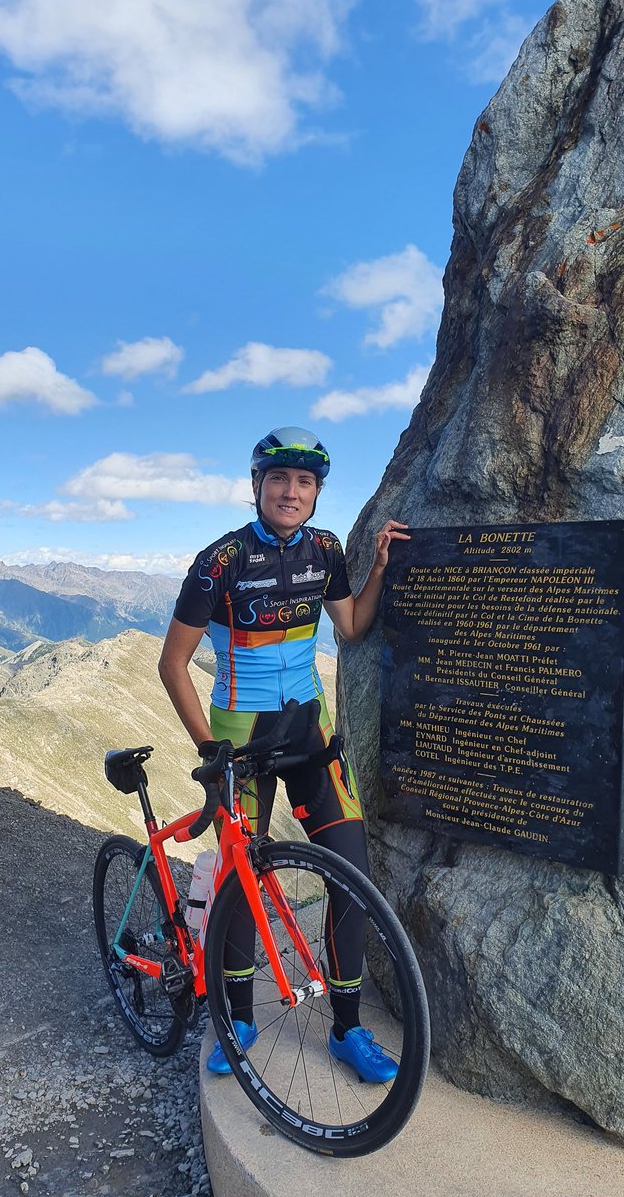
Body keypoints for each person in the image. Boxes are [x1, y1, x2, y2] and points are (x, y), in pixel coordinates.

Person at [158, 426, 409, 1082]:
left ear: (316, 492)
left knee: (350, 869)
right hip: (239, 744)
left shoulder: (325, 550)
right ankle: (238, 1018)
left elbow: (350, 625)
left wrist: (380, 567)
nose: (291, 492)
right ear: (258, 487)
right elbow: (173, 665)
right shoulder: (220, 562)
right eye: (279, 480)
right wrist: (210, 751)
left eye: (304, 482)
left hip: (307, 735)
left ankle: (348, 1029)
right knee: (241, 879)